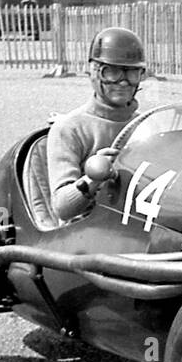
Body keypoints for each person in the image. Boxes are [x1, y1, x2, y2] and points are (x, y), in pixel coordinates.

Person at [47, 26, 145, 222]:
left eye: (133, 73)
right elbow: (62, 208)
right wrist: (92, 179)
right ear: (94, 73)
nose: (124, 82)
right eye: (112, 72)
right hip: (86, 232)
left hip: (137, 224)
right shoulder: (69, 129)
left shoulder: (146, 124)